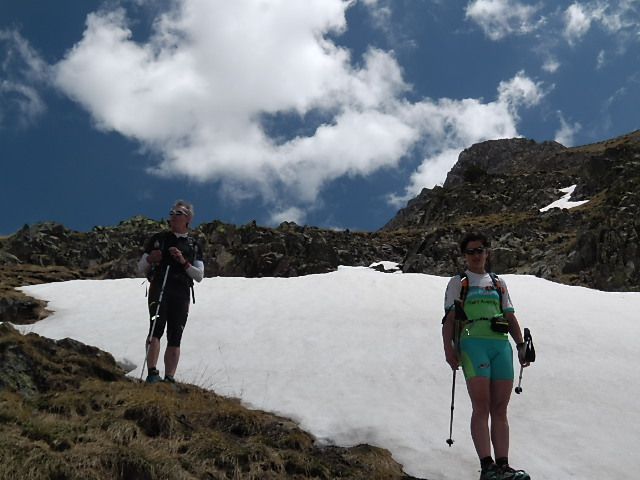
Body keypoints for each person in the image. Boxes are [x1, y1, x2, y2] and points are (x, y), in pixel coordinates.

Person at [442, 232, 531, 480]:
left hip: (501, 345)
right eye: (471, 251)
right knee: (481, 406)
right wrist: (449, 349)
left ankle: (503, 465)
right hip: (472, 343)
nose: (476, 255)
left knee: (500, 408)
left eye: (480, 250)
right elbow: (449, 319)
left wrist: (521, 345)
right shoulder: (458, 282)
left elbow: (510, 315)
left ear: (487, 252)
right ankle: (487, 467)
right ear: (464, 256)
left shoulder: (498, 282)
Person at [137, 200, 204, 384]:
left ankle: (169, 377)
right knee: (156, 328)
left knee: (176, 334)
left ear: (188, 218)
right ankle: (152, 373)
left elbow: (199, 275)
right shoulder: (159, 239)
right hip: (160, 286)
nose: (173, 216)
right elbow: (141, 266)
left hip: (181, 292)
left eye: (178, 213)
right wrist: (151, 258)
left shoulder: (194, 245)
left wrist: (183, 261)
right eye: (172, 213)